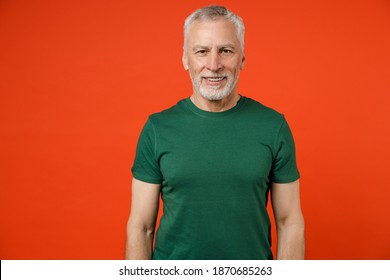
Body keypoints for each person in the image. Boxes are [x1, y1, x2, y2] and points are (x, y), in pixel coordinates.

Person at [126, 5, 304, 260]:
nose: (214, 64)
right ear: (186, 59)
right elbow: (141, 228)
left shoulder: (273, 126)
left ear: (242, 58)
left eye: (226, 51)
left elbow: (290, 223)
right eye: (201, 51)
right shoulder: (157, 128)